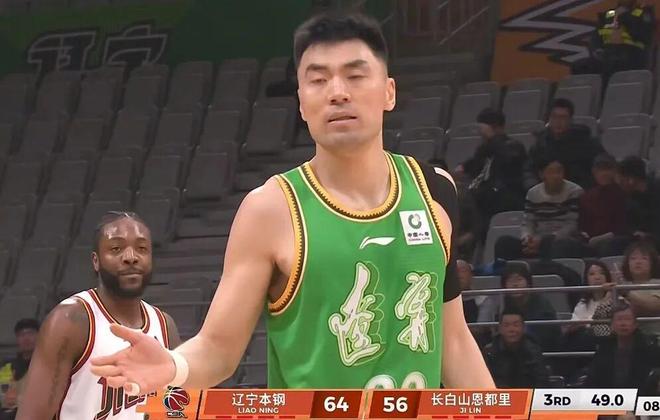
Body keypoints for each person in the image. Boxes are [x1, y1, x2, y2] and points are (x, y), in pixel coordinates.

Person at [89, 12, 495, 392]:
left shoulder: (434, 190)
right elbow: (218, 348)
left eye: (355, 76)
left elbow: (453, 340)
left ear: (389, 92)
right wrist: (174, 367)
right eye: (318, 80)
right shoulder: (270, 209)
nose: (338, 93)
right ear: (301, 102)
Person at [15, 212, 181, 420]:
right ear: (96, 261)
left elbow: (179, 411)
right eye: (116, 249)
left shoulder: (165, 325)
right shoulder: (70, 321)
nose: (131, 257)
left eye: (141, 248)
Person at [495, 158, 585, 260]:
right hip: (537, 238)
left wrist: (544, 241)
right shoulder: (533, 193)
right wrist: (527, 238)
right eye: (551, 172)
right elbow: (528, 223)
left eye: (559, 171)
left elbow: (572, 225)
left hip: (563, 239)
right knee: (504, 242)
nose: (556, 176)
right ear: (541, 174)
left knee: (558, 244)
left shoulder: (574, 191)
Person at [459, 108, 527, 232]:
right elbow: (473, 168)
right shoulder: (484, 149)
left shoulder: (513, 146)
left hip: (505, 197)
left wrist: (493, 138)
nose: (480, 133)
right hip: (483, 196)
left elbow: (508, 160)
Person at [478, 264, 560, 350]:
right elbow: (484, 328)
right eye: (510, 280)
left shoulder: (541, 303)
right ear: (504, 285)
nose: (515, 284)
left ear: (528, 283)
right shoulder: (499, 302)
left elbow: (547, 333)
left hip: (538, 348)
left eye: (519, 279)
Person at [528, 99, 603, 189]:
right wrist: (534, 186)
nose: (558, 121)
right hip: (547, 191)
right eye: (554, 117)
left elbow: (600, 165)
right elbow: (529, 170)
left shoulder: (586, 142)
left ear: (570, 120)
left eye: (563, 117)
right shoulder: (541, 143)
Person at [593, 241, 660, 339]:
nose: (638, 262)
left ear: (652, 263)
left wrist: (624, 292)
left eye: (644, 258)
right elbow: (600, 312)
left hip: (653, 337)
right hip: (623, 339)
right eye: (633, 258)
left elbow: (653, 306)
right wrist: (609, 291)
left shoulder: (657, 283)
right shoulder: (622, 285)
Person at [585, 303, 660, 388]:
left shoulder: (648, 346)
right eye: (619, 319)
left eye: (627, 319)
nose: (623, 324)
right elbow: (593, 376)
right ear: (612, 325)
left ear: (635, 324)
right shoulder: (604, 347)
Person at [482, 306, 550, 388]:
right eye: (506, 325)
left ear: (523, 327)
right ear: (500, 329)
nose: (511, 329)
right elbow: (482, 381)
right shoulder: (490, 352)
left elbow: (542, 381)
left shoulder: (533, 350)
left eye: (516, 325)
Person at [579, 153, 628, 256]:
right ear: (594, 172)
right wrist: (585, 236)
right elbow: (582, 224)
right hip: (588, 241)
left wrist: (601, 238)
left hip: (613, 240)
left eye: (608, 169)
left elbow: (622, 227)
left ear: (615, 171)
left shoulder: (623, 195)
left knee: (609, 245)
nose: (604, 173)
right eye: (600, 170)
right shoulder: (587, 196)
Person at [618, 156, 660, 250]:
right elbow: (630, 224)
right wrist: (635, 232)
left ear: (631, 179)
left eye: (622, 179)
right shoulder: (631, 197)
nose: (619, 183)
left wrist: (650, 236)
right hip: (641, 240)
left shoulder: (657, 192)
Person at [0, 319, 39, 420]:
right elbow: (3, 393)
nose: (26, 338)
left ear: (39, 336)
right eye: (22, 335)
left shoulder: (47, 365)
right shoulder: (7, 366)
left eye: (30, 333)